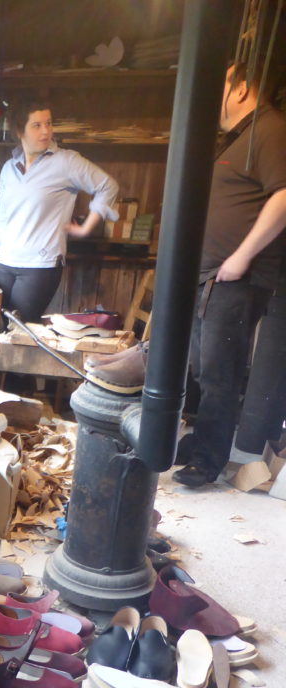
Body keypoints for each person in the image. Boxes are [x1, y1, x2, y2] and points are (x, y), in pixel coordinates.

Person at [173, 61, 286, 488]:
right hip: (211, 277)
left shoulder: (271, 128)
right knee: (203, 369)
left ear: (240, 89)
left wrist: (241, 257)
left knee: (220, 370)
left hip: (237, 276)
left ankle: (208, 461)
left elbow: (284, 196)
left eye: (218, 83)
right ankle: (202, 440)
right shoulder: (238, 138)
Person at [0, 98, 119, 322]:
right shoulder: (9, 168)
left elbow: (108, 186)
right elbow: (4, 217)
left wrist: (86, 227)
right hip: (5, 263)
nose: (46, 131)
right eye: (36, 125)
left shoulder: (66, 162)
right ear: (19, 130)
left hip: (40, 265)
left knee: (19, 330)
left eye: (49, 123)